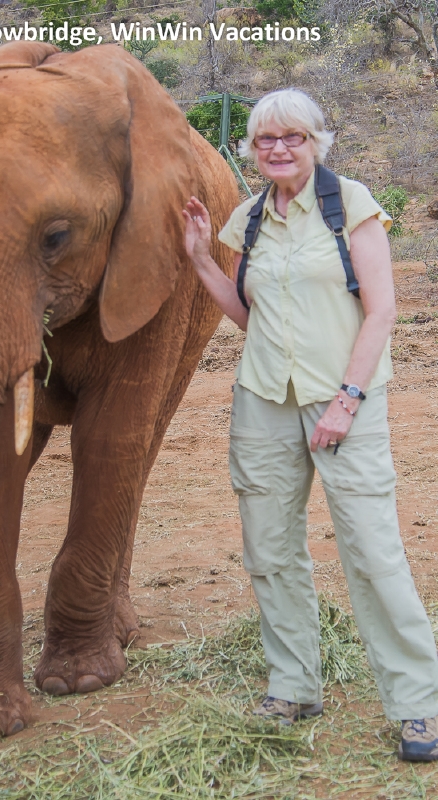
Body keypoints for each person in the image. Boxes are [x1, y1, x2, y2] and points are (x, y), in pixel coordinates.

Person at [183, 87, 438, 761]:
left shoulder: (349, 204)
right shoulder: (248, 220)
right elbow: (252, 317)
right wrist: (203, 259)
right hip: (263, 400)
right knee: (269, 550)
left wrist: (346, 400)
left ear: (316, 142)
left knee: (373, 550)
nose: (278, 148)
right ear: (251, 149)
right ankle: (293, 686)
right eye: (265, 139)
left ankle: (419, 703)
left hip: (345, 398)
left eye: (291, 136)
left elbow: (382, 311)